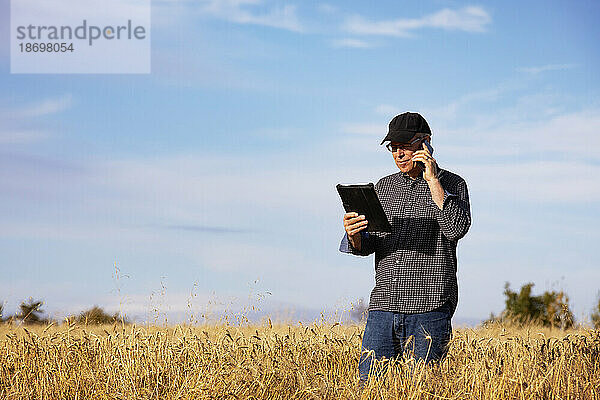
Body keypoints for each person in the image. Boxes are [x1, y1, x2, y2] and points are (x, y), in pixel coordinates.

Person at [339, 112, 471, 385]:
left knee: (422, 390)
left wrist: (433, 181)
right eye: (393, 147)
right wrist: (354, 236)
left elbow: (456, 229)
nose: (398, 153)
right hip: (383, 308)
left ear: (426, 143)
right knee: (370, 389)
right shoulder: (384, 187)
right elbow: (370, 244)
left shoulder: (454, 184)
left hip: (430, 308)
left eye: (406, 145)